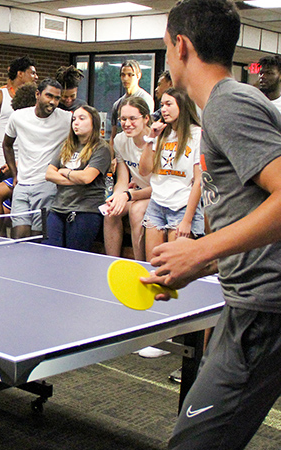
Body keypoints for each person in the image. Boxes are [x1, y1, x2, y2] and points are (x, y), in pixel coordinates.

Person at [140, 2, 281, 448]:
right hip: (252, 300)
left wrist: (200, 250)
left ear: (180, 46)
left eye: (165, 46)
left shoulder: (228, 104)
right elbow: (253, 214)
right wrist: (198, 265)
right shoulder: (228, 104)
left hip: (263, 310)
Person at [2, 78, 73, 238]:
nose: (53, 101)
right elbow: (7, 145)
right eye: (49, 96)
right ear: (37, 94)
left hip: (47, 186)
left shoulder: (66, 119)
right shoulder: (18, 117)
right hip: (22, 185)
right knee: (19, 236)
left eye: (57, 98)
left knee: (37, 238)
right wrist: (14, 174)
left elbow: (86, 134)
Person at [138, 88, 204, 258]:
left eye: (169, 104)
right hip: (157, 204)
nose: (164, 109)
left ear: (182, 106)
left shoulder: (197, 135)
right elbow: (144, 170)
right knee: (153, 263)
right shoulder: (161, 133)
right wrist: (151, 137)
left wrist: (187, 220)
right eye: (162, 105)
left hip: (182, 205)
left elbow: (199, 181)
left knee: (174, 266)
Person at [0, 56, 38, 231]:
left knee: (6, 205)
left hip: (22, 161)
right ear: (20, 74)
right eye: (32, 73)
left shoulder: (35, 99)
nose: (35, 77)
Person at [43, 106, 110, 250]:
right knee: (48, 251)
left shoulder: (101, 148)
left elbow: (87, 178)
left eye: (81, 118)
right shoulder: (66, 146)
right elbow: (49, 174)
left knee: (74, 255)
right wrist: (75, 177)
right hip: (58, 207)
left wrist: (64, 171)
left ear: (94, 122)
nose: (76, 123)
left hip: (85, 210)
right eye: (74, 119)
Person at [103, 97, 154, 261]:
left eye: (133, 118)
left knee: (136, 210)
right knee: (110, 211)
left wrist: (128, 195)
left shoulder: (159, 141)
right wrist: (117, 196)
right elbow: (122, 180)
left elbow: (161, 187)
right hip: (137, 192)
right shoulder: (119, 140)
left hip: (158, 194)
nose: (127, 123)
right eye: (123, 119)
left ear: (146, 118)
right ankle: (112, 263)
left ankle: (139, 265)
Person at [109, 60, 155, 148]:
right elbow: (113, 134)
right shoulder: (118, 104)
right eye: (123, 75)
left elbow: (147, 128)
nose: (126, 78)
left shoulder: (145, 99)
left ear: (138, 76)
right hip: (122, 149)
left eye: (130, 75)